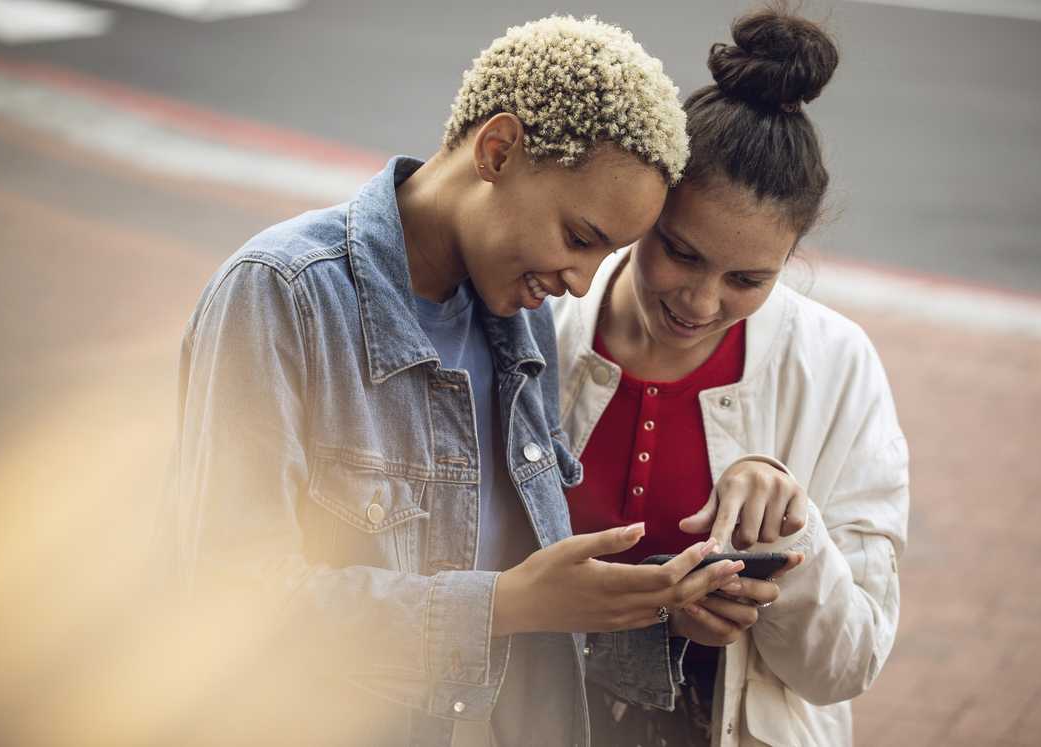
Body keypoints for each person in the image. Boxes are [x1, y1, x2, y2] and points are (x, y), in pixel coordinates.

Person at [162, 15, 745, 747]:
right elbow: (228, 600)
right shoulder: (282, 293)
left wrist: (657, 601)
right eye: (579, 237)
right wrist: (503, 604)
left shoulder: (517, 316)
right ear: (498, 150)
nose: (580, 281)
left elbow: (523, 608)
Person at [552, 6, 910, 746]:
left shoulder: (836, 366)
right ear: (646, 205)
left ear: (793, 255)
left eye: (748, 278)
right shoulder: (542, 321)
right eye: (680, 252)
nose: (701, 302)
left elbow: (846, 666)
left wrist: (790, 531)